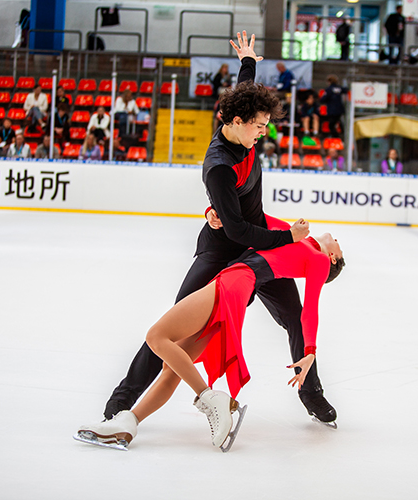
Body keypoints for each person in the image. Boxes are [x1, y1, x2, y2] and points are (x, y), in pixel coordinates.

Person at [102, 31, 339, 428]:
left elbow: (244, 92)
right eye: (259, 126)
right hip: (225, 250)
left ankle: (310, 392)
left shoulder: (241, 126)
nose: (264, 132)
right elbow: (239, 233)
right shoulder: (219, 166)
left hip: (260, 251)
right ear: (237, 122)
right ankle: (121, 401)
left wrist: (249, 62)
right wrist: (289, 239)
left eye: (265, 125)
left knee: (294, 317)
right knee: (172, 328)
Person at [77, 221, 345, 451]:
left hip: (235, 282)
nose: (337, 239)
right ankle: (128, 424)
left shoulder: (319, 259)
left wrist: (309, 352)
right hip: (238, 288)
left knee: (156, 336)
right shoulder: (297, 238)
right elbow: (254, 218)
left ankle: (210, 397)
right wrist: (213, 212)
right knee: (172, 368)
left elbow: (309, 309)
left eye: (339, 246)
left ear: (333, 257)